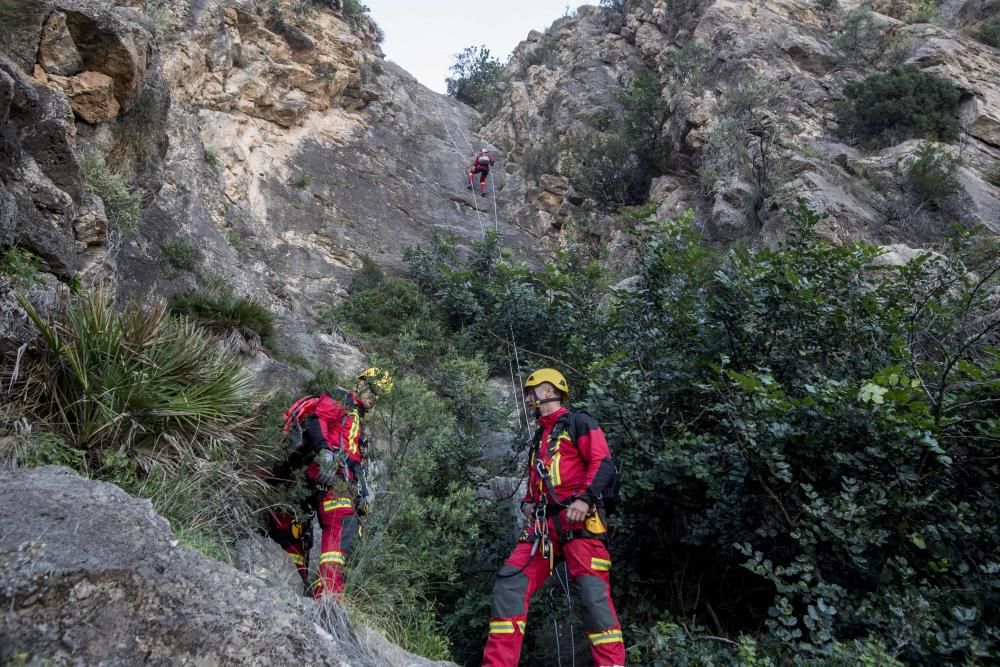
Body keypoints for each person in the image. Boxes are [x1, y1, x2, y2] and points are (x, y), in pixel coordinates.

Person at [482, 368, 625, 667]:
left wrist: (585, 500)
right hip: (545, 528)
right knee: (510, 584)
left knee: (594, 601)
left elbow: (604, 463)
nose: (528, 398)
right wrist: (528, 503)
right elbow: (538, 482)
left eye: (531, 392)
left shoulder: (579, 423)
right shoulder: (541, 437)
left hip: (580, 525)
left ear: (547, 391)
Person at [290, 367, 390, 598]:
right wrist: (325, 453)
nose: (374, 399)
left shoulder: (354, 417)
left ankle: (298, 584)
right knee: (341, 523)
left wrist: (362, 490)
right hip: (326, 473)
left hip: (335, 477)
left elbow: (353, 458)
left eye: (378, 396)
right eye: (372, 391)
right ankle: (328, 594)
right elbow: (318, 421)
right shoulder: (341, 398)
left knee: (309, 531)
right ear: (360, 384)